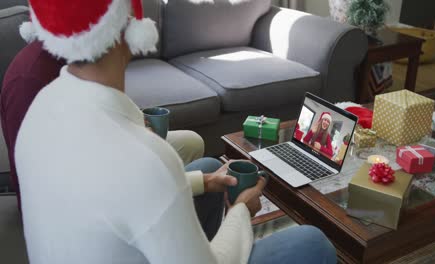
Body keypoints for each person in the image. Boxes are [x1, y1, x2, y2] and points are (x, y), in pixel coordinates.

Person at [14, 0, 337, 263]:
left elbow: (106, 194)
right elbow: (133, 184)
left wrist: (202, 181)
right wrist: (240, 212)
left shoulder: (40, 108)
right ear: (128, 25)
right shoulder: (145, 160)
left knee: (210, 169)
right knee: (312, 243)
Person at [1, 41, 204, 213]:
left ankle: (176, 201)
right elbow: (49, 179)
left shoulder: (77, 53)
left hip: (98, 154)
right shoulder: (29, 82)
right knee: (206, 172)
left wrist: (132, 124)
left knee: (191, 142)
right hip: (69, 200)